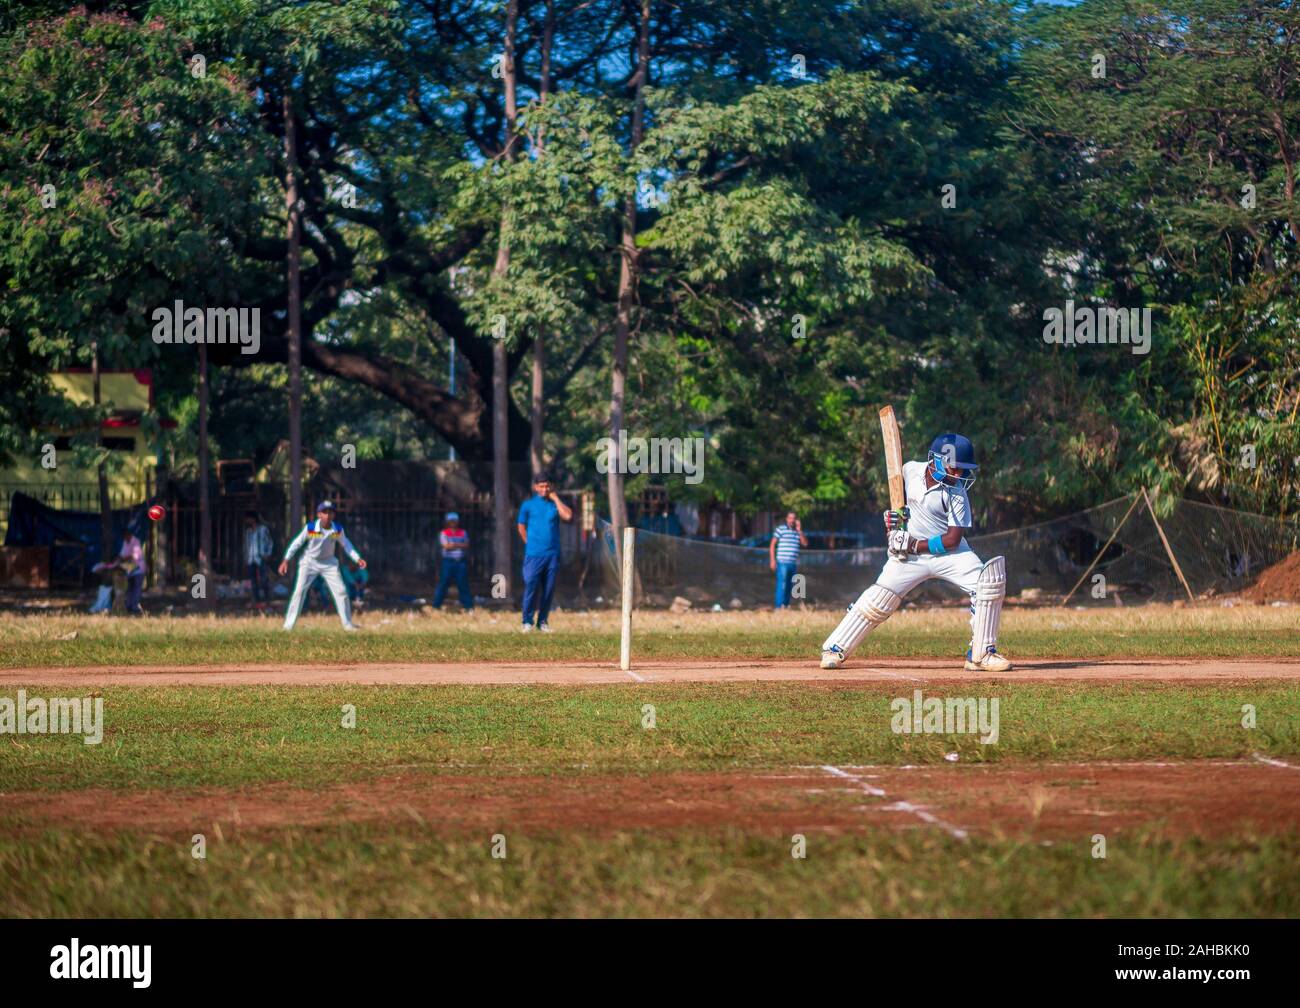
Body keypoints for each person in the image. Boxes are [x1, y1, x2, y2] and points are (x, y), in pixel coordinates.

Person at [820, 433, 1011, 672]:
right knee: (878, 599)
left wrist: (912, 544)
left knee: (988, 584)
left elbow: (953, 539)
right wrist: (894, 522)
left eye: (963, 470)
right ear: (936, 460)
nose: (959, 474)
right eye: (955, 467)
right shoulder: (910, 470)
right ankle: (834, 649)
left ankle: (982, 655)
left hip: (950, 554)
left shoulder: (957, 493)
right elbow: (899, 503)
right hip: (908, 557)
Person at [278, 500, 367, 631]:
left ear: (333, 515)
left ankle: (348, 625)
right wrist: (286, 560)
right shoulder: (311, 528)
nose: (328, 515)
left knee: (341, 592)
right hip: (309, 562)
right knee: (299, 592)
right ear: (319, 515)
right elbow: (297, 543)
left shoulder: (337, 529)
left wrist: (357, 558)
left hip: (329, 563)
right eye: (324, 512)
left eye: (330, 512)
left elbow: (346, 544)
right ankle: (288, 626)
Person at [516, 471, 572, 632]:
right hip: (533, 555)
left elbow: (567, 516)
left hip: (552, 555)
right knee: (531, 585)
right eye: (541, 486)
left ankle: (543, 622)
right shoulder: (528, 505)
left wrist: (555, 498)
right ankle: (527, 621)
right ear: (535, 487)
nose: (545, 489)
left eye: (547, 486)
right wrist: (530, 543)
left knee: (548, 589)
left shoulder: (554, 503)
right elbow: (521, 527)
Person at [91, 528, 146, 615]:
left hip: (139, 569)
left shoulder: (136, 542)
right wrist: (117, 560)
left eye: (125, 536)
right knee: (130, 589)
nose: (125, 539)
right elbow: (122, 554)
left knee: (136, 589)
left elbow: (135, 556)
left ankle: (134, 607)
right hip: (129, 571)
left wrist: (123, 559)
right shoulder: (125, 542)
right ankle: (129, 606)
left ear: (129, 534)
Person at [433, 511, 473, 611]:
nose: (453, 523)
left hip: (460, 561)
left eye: (454, 521)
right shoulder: (444, 533)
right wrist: (459, 545)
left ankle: (468, 606)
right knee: (443, 583)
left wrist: (453, 545)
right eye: (451, 521)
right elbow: (446, 546)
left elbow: (466, 545)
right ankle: (436, 606)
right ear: (447, 522)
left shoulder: (463, 532)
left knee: (463, 584)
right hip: (448, 561)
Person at [770, 511, 807, 609]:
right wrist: (772, 560)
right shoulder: (780, 530)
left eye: (794, 518)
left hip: (792, 563)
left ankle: (785, 605)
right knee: (782, 583)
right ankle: (778, 606)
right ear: (787, 519)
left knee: (790, 585)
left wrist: (799, 530)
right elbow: (772, 544)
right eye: (790, 518)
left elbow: (805, 543)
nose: (792, 520)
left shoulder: (797, 532)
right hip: (782, 562)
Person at [243, 510, 273, 605]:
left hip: (261, 558)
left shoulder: (263, 529)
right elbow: (246, 545)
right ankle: (256, 599)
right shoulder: (248, 532)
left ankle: (267, 599)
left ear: (253, 519)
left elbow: (270, 542)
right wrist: (246, 557)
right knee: (253, 581)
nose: (247, 521)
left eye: (248, 518)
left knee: (264, 579)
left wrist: (268, 554)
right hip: (251, 559)